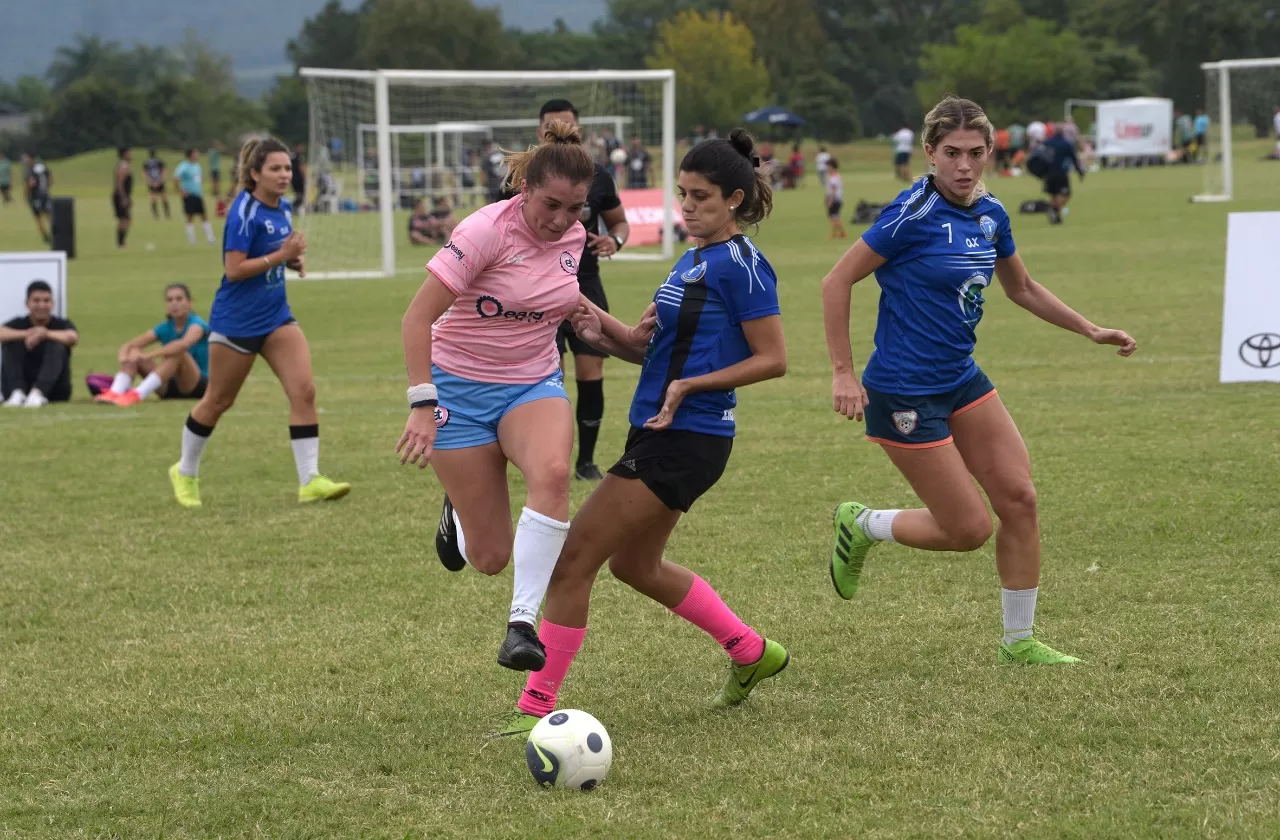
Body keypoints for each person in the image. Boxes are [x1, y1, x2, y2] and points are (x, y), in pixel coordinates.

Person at [489, 129, 790, 740]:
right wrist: (595, 322)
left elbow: (773, 358)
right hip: (658, 428)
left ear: (734, 198)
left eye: (701, 196)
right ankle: (752, 650)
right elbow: (648, 349)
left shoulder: (744, 266)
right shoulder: (692, 259)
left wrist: (690, 388)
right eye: (681, 194)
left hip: (689, 436)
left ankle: (535, 706)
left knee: (571, 561)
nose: (686, 207)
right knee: (636, 565)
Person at [819, 96, 1137, 667]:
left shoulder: (991, 213)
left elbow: (1023, 288)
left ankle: (1019, 642)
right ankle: (863, 523)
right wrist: (843, 372)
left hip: (961, 379)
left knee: (1020, 498)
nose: (964, 166)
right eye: (951, 154)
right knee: (967, 529)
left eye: (974, 153)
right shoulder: (907, 217)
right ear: (930, 153)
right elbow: (836, 282)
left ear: (990, 152)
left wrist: (1090, 329)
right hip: (904, 390)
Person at [396, 119, 594, 672]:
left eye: (574, 208)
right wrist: (421, 405)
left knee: (554, 474)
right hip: (457, 386)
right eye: (550, 205)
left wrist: (621, 335)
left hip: (532, 381)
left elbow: (559, 300)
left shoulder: (574, 238)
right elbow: (417, 318)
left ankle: (521, 626)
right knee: (488, 557)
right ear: (525, 188)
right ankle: (456, 513)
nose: (561, 221)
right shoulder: (484, 231)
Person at [168, 137, 350, 509]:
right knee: (218, 400)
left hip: (276, 317)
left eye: (287, 168)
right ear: (254, 174)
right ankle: (185, 471)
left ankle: (310, 480)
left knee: (305, 391)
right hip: (237, 322)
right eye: (275, 169)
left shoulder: (281, 208)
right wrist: (280, 255)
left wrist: (289, 261)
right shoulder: (243, 212)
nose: (285, 175)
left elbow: (269, 255)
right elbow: (234, 270)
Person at [531, 99, 631, 481]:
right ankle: (546, 458)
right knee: (547, 375)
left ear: (579, 132)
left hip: (584, 283)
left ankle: (585, 460)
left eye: (567, 127)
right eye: (551, 127)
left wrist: (615, 242)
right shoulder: (521, 177)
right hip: (536, 290)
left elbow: (619, 223)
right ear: (539, 133)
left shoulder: (598, 176)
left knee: (590, 370)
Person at [95, 283, 210, 407]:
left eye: (179, 299)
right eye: (169, 300)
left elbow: (182, 345)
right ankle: (115, 391)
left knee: (178, 353)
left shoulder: (196, 325)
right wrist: (125, 357)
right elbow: (130, 345)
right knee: (135, 353)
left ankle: (137, 394)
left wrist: (149, 355)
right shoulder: (165, 327)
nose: (174, 304)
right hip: (170, 385)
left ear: (189, 303)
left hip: (197, 385)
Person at [1, 280, 77, 408]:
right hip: (18, 386)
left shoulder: (60, 324)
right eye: (36, 301)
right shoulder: (19, 323)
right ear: (27, 303)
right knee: (11, 342)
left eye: (46, 301)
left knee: (56, 344)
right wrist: (27, 334)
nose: (41, 305)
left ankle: (38, 392)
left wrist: (45, 334)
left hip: (55, 391)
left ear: (52, 304)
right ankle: (17, 392)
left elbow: (72, 337)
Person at [1027, 130, 1085, 224]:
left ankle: (1055, 216)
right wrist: (1079, 172)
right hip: (1061, 173)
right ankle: (1053, 209)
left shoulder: (1047, 142)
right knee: (1066, 195)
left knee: (1053, 195)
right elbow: (1073, 159)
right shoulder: (1066, 144)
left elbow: (1037, 155)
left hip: (1048, 174)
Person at [173, 148, 215, 245]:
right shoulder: (184, 166)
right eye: (196, 153)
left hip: (198, 194)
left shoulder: (197, 166)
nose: (198, 155)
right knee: (189, 217)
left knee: (204, 216)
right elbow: (176, 177)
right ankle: (192, 240)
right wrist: (180, 191)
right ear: (191, 155)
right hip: (189, 195)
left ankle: (210, 238)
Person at [22, 153, 52, 244]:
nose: (25, 160)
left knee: (38, 217)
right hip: (45, 194)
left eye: (26, 158)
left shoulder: (29, 169)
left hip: (35, 196)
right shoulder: (41, 166)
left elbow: (31, 183)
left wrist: (25, 194)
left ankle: (45, 236)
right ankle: (55, 232)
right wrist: (46, 188)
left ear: (30, 158)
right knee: (49, 215)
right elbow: (51, 178)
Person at [112, 146, 133, 250]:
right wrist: (123, 197)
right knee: (124, 220)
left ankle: (121, 242)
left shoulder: (126, 166)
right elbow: (119, 183)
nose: (131, 155)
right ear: (124, 154)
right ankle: (120, 243)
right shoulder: (123, 167)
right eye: (129, 153)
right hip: (120, 196)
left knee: (126, 219)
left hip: (125, 195)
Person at [143, 149, 170, 220]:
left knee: (154, 198)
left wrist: (150, 181)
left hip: (154, 182)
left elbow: (145, 173)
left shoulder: (146, 163)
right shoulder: (159, 161)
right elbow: (164, 171)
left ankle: (156, 214)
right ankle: (166, 213)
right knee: (163, 197)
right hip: (158, 182)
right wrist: (161, 180)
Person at [825, 157, 846, 239]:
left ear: (831, 166)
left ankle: (834, 234)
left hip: (835, 199)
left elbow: (833, 190)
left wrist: (830, 200)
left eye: (828, 166)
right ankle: (842, 233)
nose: (826, 168)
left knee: (834, 217)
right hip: (837, 199)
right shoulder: (836, 176)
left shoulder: (833, 177)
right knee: (835, 217)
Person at [290, 143, 307, 212]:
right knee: (301, 194)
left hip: (292, 178)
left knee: (297, 193)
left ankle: (295, 207)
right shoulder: (299, 156)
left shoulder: (291, 156)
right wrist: (304, 176)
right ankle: (295, 207)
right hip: (299, 178)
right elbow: (301, 167)